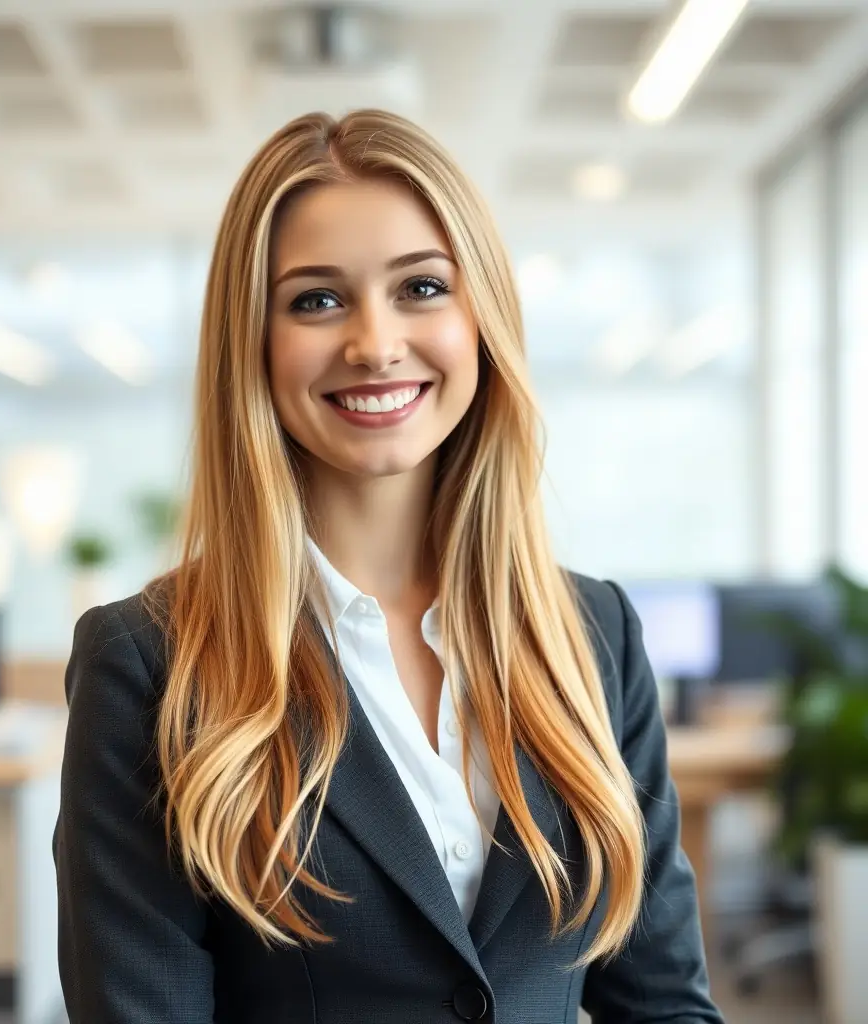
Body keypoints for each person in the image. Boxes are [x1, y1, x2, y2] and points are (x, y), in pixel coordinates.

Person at [55, 110, 724, 1023]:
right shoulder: (150, 662)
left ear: (480, 317)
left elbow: (665, 1007)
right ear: (253, 340)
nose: (374, 342)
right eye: (316, 299)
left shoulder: (592, 634)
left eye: (420, 287)